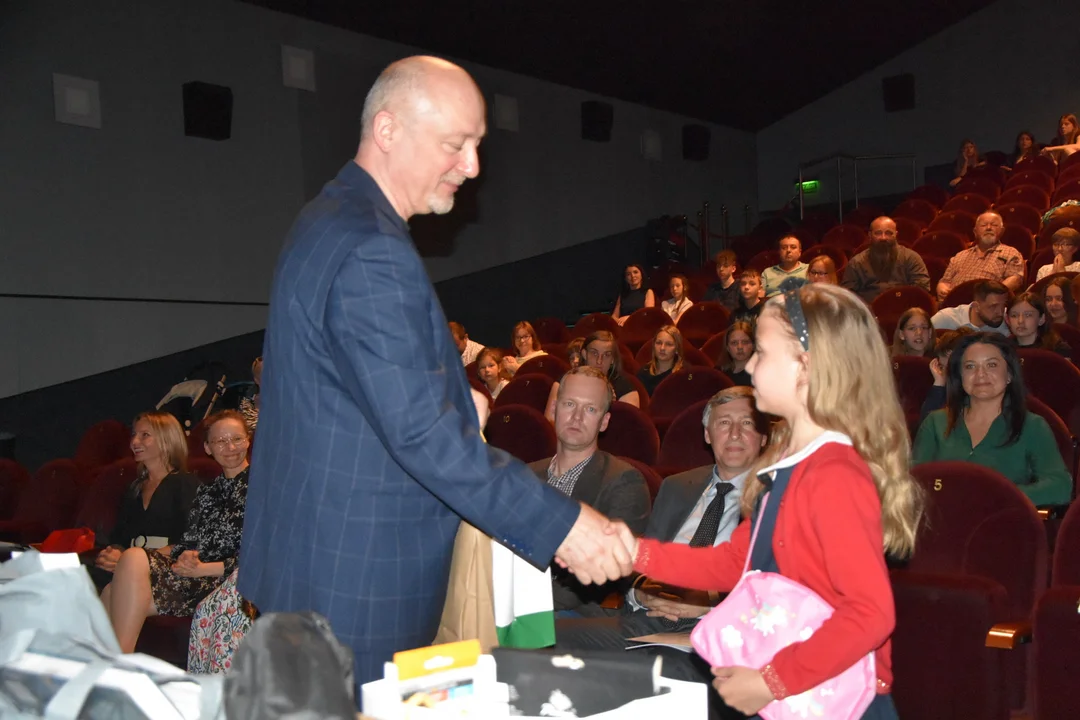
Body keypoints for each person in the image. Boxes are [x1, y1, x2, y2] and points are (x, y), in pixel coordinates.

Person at [238, 56, 634, 689]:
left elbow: (350, 397)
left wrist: (454, 403)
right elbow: (422, 437)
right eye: (456, 144)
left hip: (310, 559)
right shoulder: (372, 247)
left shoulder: (326, 217)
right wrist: (565, 527)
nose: (472, 167)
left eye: (477, 145)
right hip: (357, 583)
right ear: (388, 129)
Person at [618, 281, 923, 718]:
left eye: (760, 352)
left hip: (836, 698)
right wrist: (634, 552)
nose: (750, 366)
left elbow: (870, 613)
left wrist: (770, 681)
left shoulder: (832, 473)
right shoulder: (788, 467)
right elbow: (732, 564)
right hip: (799, 693)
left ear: (806, 366)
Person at [555, 387, 769, 709]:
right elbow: (643, 564)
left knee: (653, 676)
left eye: (748, 424)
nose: (735, 433)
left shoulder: (775, 496)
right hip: (647, 619)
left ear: (764, 439)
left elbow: (777, 590)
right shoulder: (677, 486)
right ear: (708, 435)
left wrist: (711, 606)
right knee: (545, 640)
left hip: (716, 630)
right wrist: (640, 593)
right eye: (724, 423)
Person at [102, 411, 251, 654]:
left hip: (228, 579)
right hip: (197, 576)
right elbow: (189, 541)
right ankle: (104, 665)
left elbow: (264, 554)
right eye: (220, 441)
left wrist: (205, 567)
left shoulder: (262, 487)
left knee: (132, 558)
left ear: (248, 440)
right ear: (207, 448)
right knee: (112, 590)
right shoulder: (208, 492)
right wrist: (186, 556)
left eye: (237, 439)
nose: (230, 447)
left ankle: (119, 665)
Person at [530, 367, 651, 617]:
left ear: (604, 422)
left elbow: (600, 576)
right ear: (553, 409)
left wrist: (520, 601)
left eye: (590, 409)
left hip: (574, 613)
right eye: (569, 404)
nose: (576, 417)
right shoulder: (524, 476)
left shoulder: (623, 481)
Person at [913, 333, 1071, 506]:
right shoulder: (936, 423)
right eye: (970, 366)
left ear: (1010, 374)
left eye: (992, 365)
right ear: (960, 376)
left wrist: (997, 496)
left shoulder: (1032, 426)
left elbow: (1060, 486)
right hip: (941, 523)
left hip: (1002, 524)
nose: (980, 374)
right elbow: (914, 483)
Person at [92, 412, 199, 592]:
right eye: (134, 434)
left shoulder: (186, 484)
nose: (134, 442)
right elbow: (120, 536)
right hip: (130, 565)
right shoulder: (134, 488)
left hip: (168, 567)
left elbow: (191, 540)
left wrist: (137, 558)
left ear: (167, 440)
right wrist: (112, 554)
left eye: (145, 435)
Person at [545, 330, 640, 421]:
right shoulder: (564, 382)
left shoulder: (626, 390)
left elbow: (627, 430)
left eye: (606, 355)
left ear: (613, 359)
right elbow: (550, 422)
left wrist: (612, 406)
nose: (599, 361)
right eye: (594, 353)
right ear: (584, 354)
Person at [936, 211, 1024, 300]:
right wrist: (942, 288)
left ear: (1002, 230)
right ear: (975, 231)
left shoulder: (1011, 253)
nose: (989, 228)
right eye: (983, 225)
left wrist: (990, 295)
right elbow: (945, 281)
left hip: (988, 304)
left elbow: (1015, 279)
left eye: (994, 225)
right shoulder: (960, 255)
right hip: (955, 304)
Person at [842, 216, 931, 302]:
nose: (883, 238)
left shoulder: (911, 258)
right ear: (870, 235)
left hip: (904, 310)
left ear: (896, 234)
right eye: (878, 233)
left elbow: (922, 289)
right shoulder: (856, 263)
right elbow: (848, 295)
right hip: (868, 313)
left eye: (888, 233)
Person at [919, 328, 975, 423]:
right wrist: (939, 384)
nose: (946, 373)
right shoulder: (943, 389)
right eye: (942, 367)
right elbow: (926, 425)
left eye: (951, 367)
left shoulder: (980, 389)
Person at [930, 280, 1011, 336]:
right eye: (993, 307)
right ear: (976, 307)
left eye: (1003, 305)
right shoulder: (945, 318)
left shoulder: (1007, 321)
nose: (1000, 312)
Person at [1006, 292, 1072, 359]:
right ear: (1007, 319)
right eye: (1014, 315)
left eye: (1028, 315)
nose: (1020, 321)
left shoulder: (1057, 349)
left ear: (1041, 319)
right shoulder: (1003, 348)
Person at [636, 325, 685, 396]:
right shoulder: (643, 372)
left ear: (677, 349)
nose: (662, 348)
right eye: (658, 343)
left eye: (669, 344)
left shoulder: (684, 373)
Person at [716, 321, 754, 386]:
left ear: (753, 345)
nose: (740, 347)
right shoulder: (719, 372)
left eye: (745, 342)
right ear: (727, 347)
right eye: (734, 343)